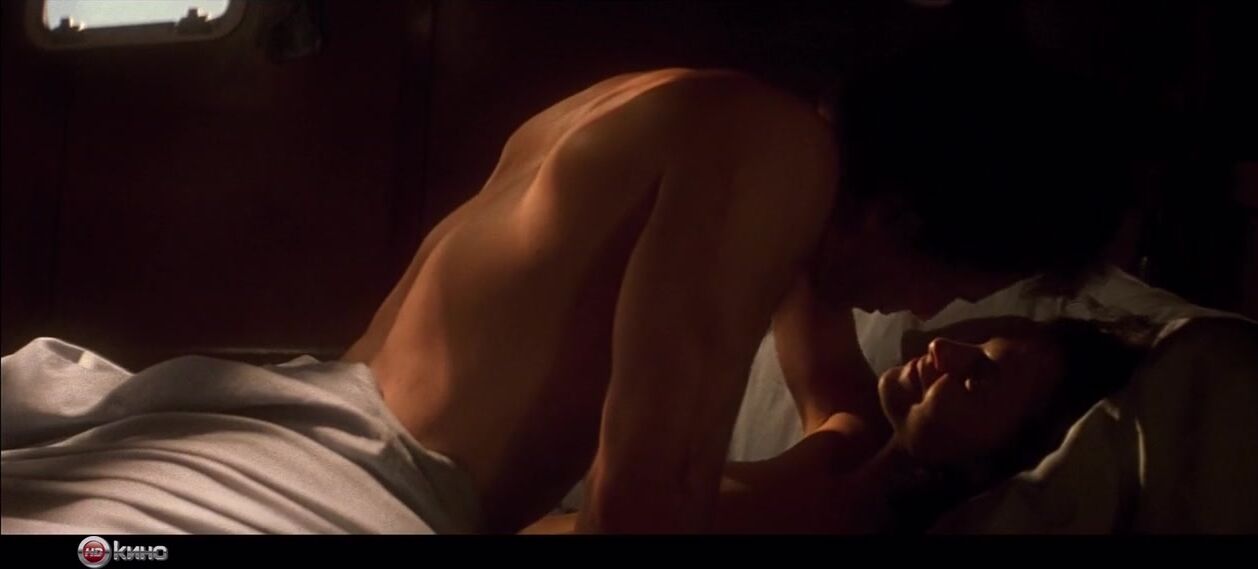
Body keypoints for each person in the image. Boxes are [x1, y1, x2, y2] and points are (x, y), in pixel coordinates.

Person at [339, 34, 1131, 533]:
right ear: (898, 218)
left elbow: (832, 380)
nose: (926, 313)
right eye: (949, 287)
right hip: (352, 491)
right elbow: (645, 501)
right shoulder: (777, 154)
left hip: (346, 451)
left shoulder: (699, 117)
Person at [524, 316, 1157, 534]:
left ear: (996, 463)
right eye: (976, 346)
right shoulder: (847, 436)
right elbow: (812, 283)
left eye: (978, 378)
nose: (943, 350)